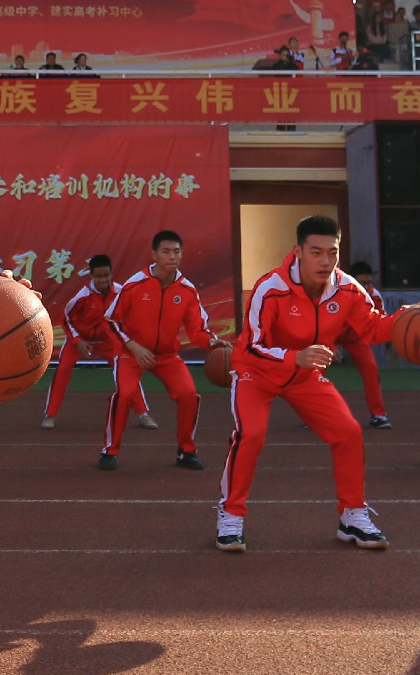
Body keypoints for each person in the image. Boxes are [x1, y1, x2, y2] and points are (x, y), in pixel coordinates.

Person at [217, 217, 399, 552]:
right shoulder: (270, 287)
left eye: (333, 252)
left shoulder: (347, 288)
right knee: (251, 434)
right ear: (298, 251)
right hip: (257, 372)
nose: (325, 261)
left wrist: (410, 319)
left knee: (348, 432)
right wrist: (294, 357)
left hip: (304, 375)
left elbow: (373, 328)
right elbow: (253, 344)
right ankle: (231, 514)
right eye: (316, 252)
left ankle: (352, 515)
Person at [100, 230, 223, 471]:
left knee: (189, 394)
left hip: (166, 355)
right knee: (124, 395)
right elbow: (110, 320)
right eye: (166, 251)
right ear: (154, 255)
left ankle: (186, 451)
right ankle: (109, 451)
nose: (172, 257)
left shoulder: (187, 290)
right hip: (131, 352)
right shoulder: (135, 284)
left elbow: (198, 329)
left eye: (176, 251)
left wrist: (213, 342)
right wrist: (133, 347)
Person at [40, 254, 151, 431]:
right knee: (62, 370)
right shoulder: (82, 297)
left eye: (106, 276)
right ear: (91, 276)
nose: (103, 280)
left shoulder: (120, 293)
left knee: (127, 371)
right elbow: (66, 319)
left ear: (111, 274)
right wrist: (78, 341)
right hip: (80, 340)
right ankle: (50, 415)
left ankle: (143, 414)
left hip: (109, 342)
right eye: (98, 276)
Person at [344, 259, 392, 429]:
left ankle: (378, 414)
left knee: (371, 369)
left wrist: (392, 336)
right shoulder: (336, 291)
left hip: (356, 337)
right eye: (362, 282)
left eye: (369, 282)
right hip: (330, 333)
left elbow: (381, 320)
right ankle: (313, 415)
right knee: (315, 371)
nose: (366, 286)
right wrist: (328, 345)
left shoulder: (374, 296)